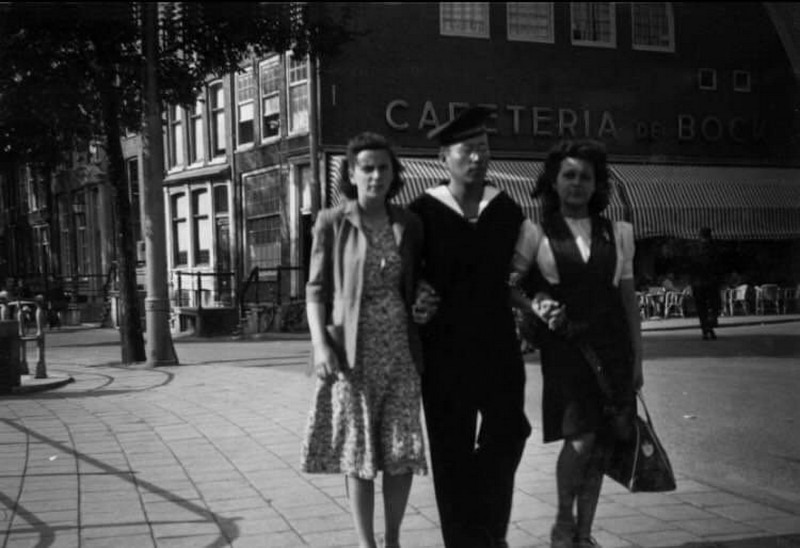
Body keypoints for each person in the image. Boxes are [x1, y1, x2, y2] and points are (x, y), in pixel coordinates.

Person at [301, 132, 436, 548]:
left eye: (383, 168)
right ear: (352, 174)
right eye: (367, 168)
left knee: (400, 450)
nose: (376, 176)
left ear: (394, 174)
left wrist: (424, 297)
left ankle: (392, 539)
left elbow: (419, 279)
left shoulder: (409, 223)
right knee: (357, 451)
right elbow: (315, 290)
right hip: (351, 353)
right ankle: (367, 543)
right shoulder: (331, 222)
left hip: (401, 352)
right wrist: (320, 346)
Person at [408, 106, 532, 548]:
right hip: (444, 351)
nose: (477, 158)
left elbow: (526, 270)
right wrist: (416, 291)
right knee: (450, 449)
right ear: (444, 158)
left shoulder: (506, 210)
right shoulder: (422, 212)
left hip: (497, 345)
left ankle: (489, 531)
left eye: (483, 148)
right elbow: (403, 272)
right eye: (467, 150)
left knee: (510, 430)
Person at [512, 139, 643, 548]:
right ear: (553, 182)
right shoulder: (535, 233)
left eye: (586, 176)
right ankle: (563, 524)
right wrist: (537, 305)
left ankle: (584, 535)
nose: (577, 183)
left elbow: (628, 301)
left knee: (601, 444)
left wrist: (638, 361)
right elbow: (510, 285)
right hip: (568, 351)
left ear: (596, 184)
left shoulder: (618, 233)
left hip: (612, 351)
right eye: (568, 175)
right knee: (580, 439)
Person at [689, 227, 722, 340]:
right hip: (711, 282)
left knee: (701, 307)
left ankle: (705, 329)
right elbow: (719, 266)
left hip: (698, 283)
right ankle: (710, 326)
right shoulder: (714, 249)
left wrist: (691, 282)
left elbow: (691, 267)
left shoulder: (694, 249)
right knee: (714, 305)